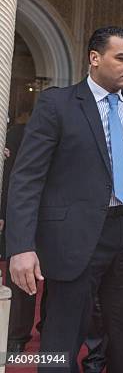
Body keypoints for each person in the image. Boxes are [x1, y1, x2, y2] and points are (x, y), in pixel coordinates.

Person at [6, 26, 123, 372]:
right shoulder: (57, 103)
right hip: (73, 239)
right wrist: (20, 246)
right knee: (61, 340)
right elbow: (27, 177)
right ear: (94, 59)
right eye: (122, 58)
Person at [1, 105, 34, 353]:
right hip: (19, 214)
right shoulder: (15, 134)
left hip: (44, 217)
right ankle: (15, 335)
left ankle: (19, 333)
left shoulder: (22, 134)